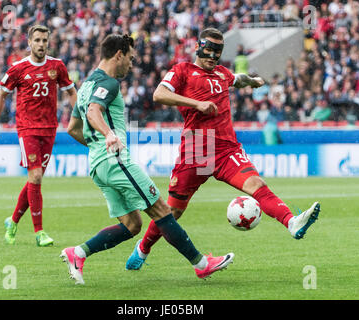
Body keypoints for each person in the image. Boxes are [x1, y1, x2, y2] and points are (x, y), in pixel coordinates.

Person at [126, 27, 321, 270]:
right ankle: (143, 248)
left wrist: (254, 80)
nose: (212, 58)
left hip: (227, 148)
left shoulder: (221, 73)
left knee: (256, 185)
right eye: (208, 52)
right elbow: (159, 94)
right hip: (197, 148)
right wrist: (197, 104)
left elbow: (237, 80)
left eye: (217, 55)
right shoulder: (183, 70)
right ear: (199, 47)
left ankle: (292, 222)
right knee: (172, 212)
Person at [60, 34, 234, 285]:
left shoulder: (86, 85)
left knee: (132, 225)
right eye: (129, 58)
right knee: (162, 210)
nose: (131, 64)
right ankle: (201, 264)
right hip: (115, 160)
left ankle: (78, 253)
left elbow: (73, 129)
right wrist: (109, 135)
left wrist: (99, 143)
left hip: (98, 164)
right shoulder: (109, 83)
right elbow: (93, 111)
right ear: (118, 54)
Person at [0, 25, 77, 247]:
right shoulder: (18, 69)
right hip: (27, 129)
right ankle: (39, 232)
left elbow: (72, 92)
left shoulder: (57, 66)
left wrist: (81, 119)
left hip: (50, 129)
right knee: (35, 177)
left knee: (34, 181)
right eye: (37, 40)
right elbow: (0, 96)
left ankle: (13, 220)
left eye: (44, 40)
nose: (41, 44)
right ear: (29, 43)